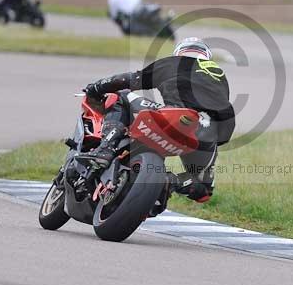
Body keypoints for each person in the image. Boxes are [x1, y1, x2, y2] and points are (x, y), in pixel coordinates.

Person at [80, 37, 235, 203]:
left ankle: (106, 149)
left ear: (180, 53)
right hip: (207, 131)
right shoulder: (219, 73)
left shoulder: (174, 62)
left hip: (174, 116)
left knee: (121, 96)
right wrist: (210, 144)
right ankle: (171, 182)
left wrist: (96, 87)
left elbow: (130, 80)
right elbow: (225, 121)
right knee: (203, 189)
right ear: (206, 56)